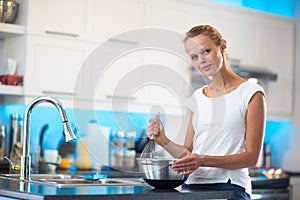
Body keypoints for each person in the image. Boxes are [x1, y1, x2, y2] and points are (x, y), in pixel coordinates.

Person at [146, 25, 266, 199]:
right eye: (194, 57)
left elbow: (252, 158)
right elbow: (189, 153)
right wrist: (162, 140)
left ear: (222, 46)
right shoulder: (198, 97)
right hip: (191, 186)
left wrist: (202, 160)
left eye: (206, 51)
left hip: (230, 187)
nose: (201, 60)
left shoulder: (250, 93)